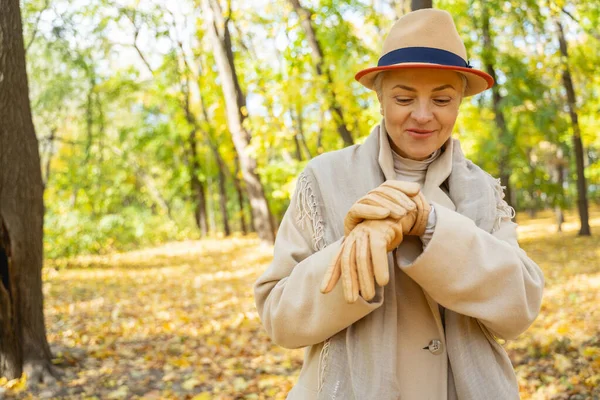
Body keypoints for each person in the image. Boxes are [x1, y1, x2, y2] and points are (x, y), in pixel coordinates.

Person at [253, 8, 544, 400]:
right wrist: (360, 246)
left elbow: (520, 305)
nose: (422, 116)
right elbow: (279, 317)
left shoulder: (484, 189)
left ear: (460, 101)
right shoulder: (323, 178)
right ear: (379, 97)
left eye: (442, 99)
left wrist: (429, 223)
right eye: (404, 97)